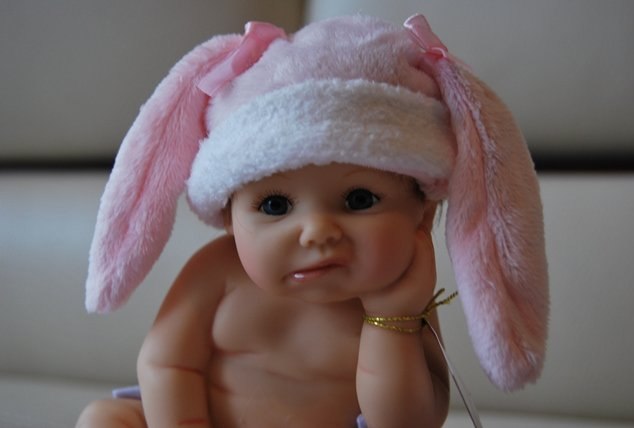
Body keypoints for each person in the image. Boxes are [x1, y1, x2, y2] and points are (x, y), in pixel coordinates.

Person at [77, 13, 549, 428]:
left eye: (359, 199)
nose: (318, 230)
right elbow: (165, 363)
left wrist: (393, 319)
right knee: (104, 420)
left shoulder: (403, 299)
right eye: (275, 206)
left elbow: (406, 422)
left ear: (421, 214)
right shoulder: (216, 272)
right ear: (228, 217)